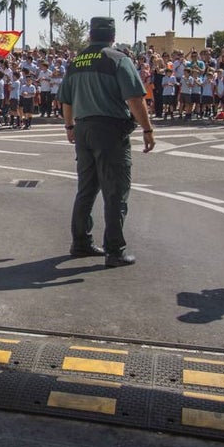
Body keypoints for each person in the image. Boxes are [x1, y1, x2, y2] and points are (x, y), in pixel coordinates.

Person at [56, 17, 155, 267]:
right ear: (112, 36)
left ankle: (81, 243)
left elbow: (65, 100)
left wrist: (69, 126)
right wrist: (147, 128)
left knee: (86, 188)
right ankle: (115, 249)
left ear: (90, 35)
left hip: (83, 128)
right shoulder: (118, 59)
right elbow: (134, 98)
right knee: (116, 191)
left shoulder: (76, 62)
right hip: (110, 130)